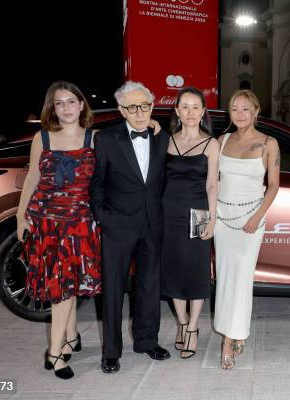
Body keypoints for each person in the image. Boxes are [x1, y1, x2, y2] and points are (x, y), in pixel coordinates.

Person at [17, 80, 102, 379]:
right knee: (60, 286)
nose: (65, 107)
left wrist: (155, 128)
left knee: (71, 281)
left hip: (79, 222)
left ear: (81, 105)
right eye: (59, 103)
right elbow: (32, 178)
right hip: (46, 222)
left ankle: (72, 335)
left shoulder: (95, 138)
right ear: (53, 108)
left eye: (70, 101)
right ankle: (55, 352)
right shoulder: (43, 138)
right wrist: (20, 216)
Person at [89, 81, 170, 374]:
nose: (139, 112)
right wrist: (103, 217)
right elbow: (96, 184)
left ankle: (147, 341)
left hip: (152, 224)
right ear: (122, 110)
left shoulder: (162, 138)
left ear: (151, 107)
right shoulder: (107, 139)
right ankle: (111, 352)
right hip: (118, 225)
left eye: (145, 106)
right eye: (132, 107)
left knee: (150, 286)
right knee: (112, 289)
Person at [213, 89, 280, 369]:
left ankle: (230, 339)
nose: (239, 114)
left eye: (245, 109)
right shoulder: (222, 140)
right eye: (234, 109)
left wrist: (257, 216)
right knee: (225, 278)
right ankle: (235, 332)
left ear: (256, 112)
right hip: (222, 218)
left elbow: (274, 185)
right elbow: (212, 181)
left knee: (241, 279)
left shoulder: (268, 143)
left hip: (251, 220)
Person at [161, 87, 220, 359]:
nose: (190, 112)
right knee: (173, 270)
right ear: (177, 111)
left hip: (198, 213)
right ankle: (182, 323)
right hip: (169, 213)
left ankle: (194, 328)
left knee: (195, 271)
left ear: (203, 111)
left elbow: (212, 185)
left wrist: (212, 218)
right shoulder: (166, 141)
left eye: (195, 106)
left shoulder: (211, 144)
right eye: (185, 106)